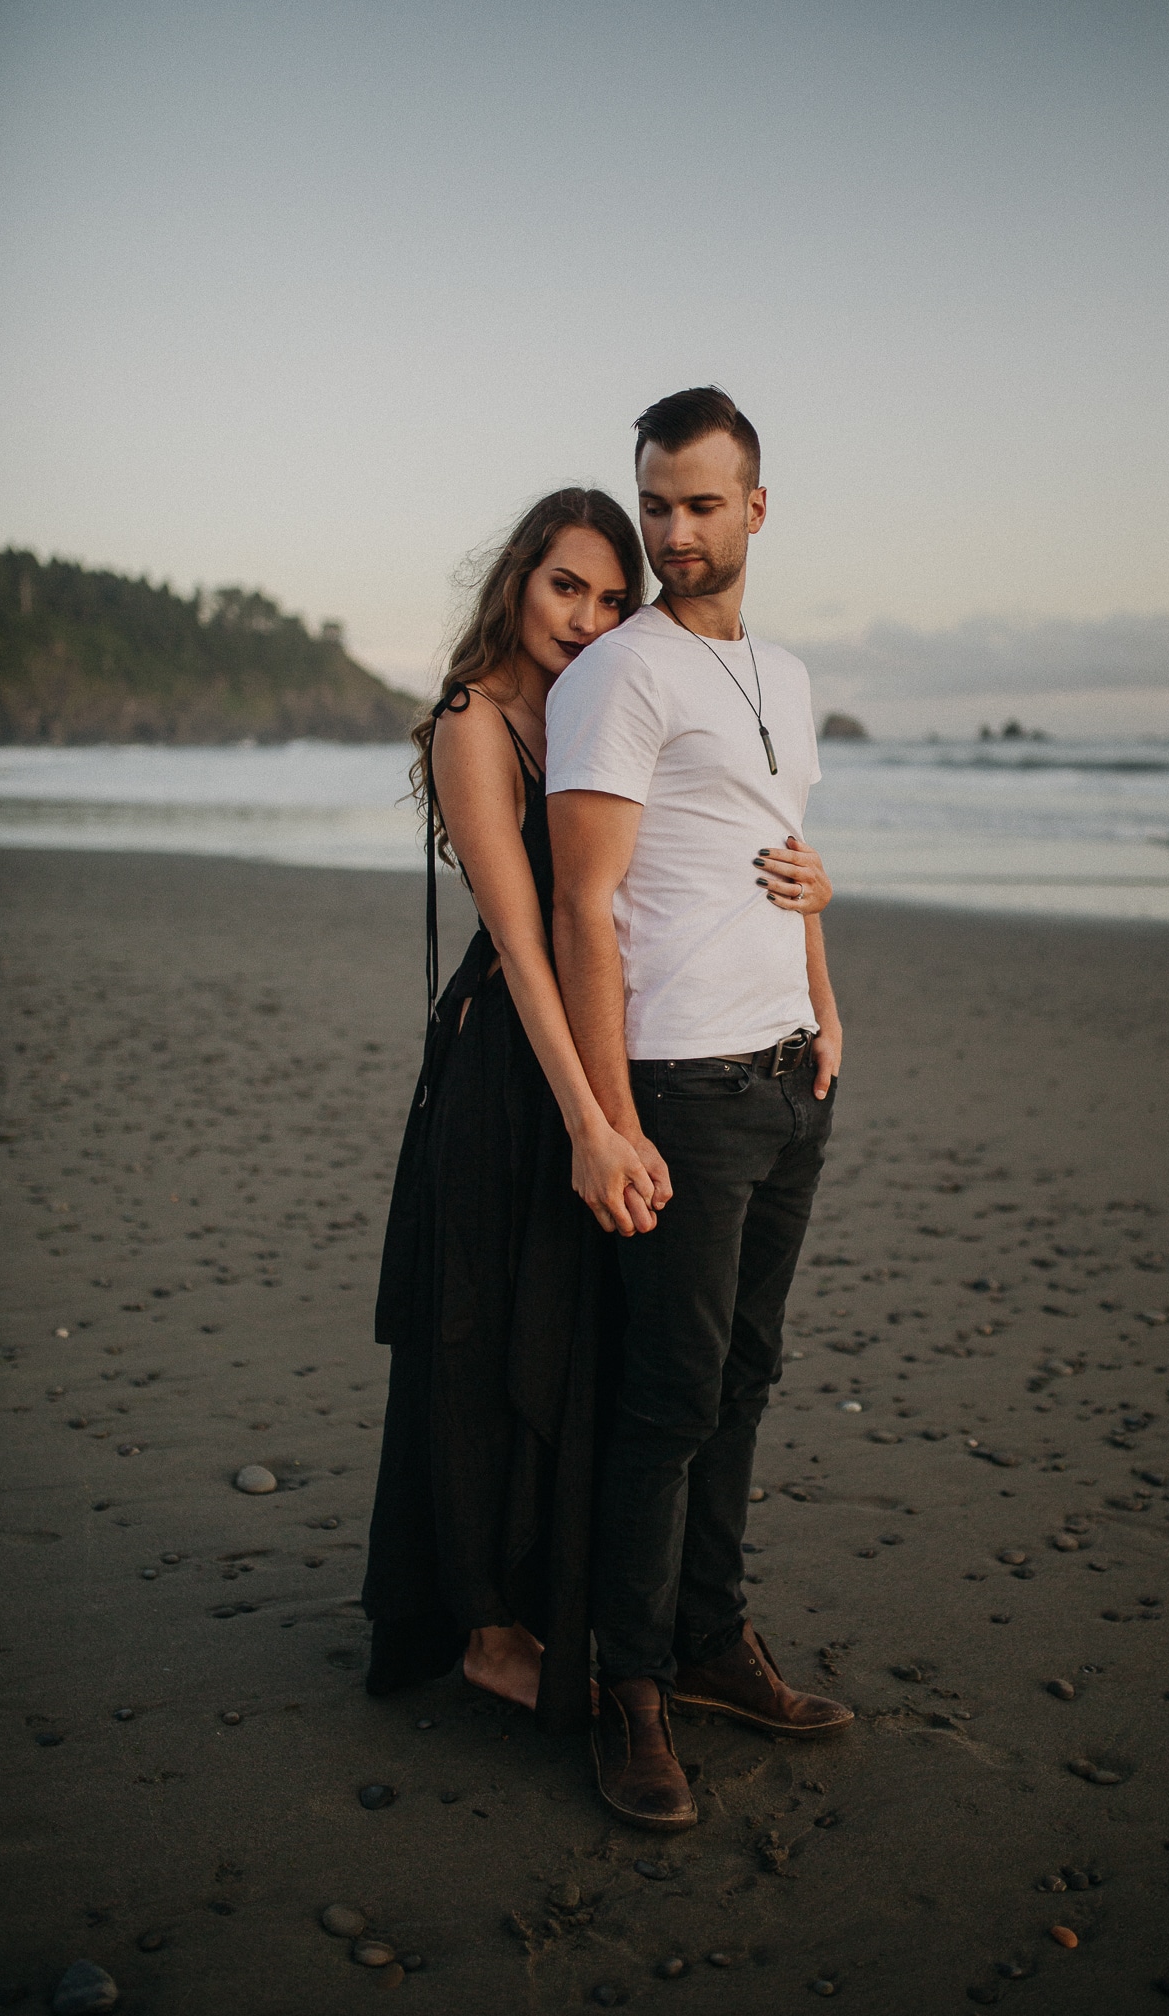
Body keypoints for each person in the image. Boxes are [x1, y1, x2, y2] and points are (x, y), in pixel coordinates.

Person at [547, 387, 853, 1830]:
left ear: (757, 507)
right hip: (683, 1090)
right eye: (656, 504)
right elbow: (582, 910)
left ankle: (713, 1638)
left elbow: (780, 848)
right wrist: (604, 1121)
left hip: (789, 1078)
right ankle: (629, 1689)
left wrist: (826, 998)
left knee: (744, 1378)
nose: (673, 532)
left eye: (701, 504)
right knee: (668, 1398)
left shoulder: (782, 677)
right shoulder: (621, 675)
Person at [361, 487, 672, 1737]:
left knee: (565, 1324)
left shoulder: (588, 710)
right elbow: (525, 934)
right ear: (518, 578)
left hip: (584, 1058)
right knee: (482, 1331)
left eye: (612, 600)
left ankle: (538, 1602)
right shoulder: (473, 719)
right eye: (567, 588)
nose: (587, 619)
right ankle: (485, 1630)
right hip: (509, 1064)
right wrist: (591, 1114)